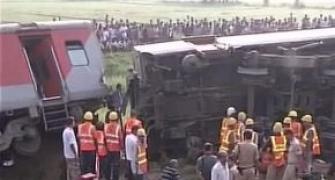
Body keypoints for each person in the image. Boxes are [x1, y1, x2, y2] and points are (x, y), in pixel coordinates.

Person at [104, 111, 123, 180]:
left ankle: (107, 178)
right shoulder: (118, 127)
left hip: (108, 149)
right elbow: (120, 138)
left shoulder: (105, 126)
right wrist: (122, 148)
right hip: (116, 149)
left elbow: (104, 137)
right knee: (116, 166)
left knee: (108, 165)